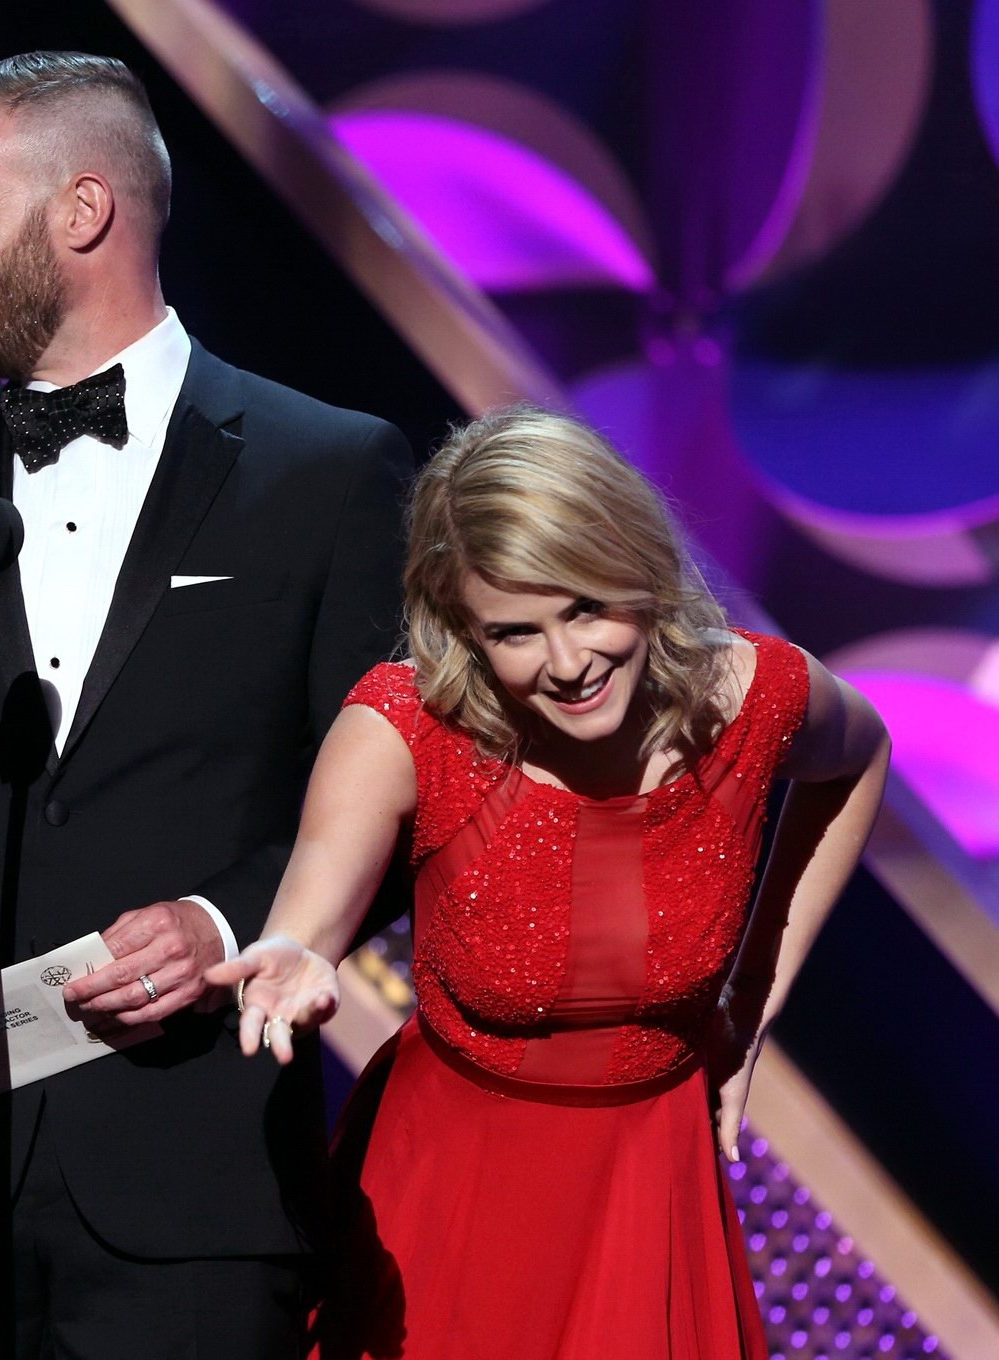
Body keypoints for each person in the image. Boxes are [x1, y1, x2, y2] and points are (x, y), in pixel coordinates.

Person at [0, 50, 411, 1359]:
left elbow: (397, 791)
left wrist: (230, 920)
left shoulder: (331, 470)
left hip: (193, 1181)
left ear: (82, 210)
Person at [209, 406, 891, 1359]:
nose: (568, 665)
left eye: (584, 608)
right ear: (462, 630)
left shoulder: (755, 697)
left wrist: (749, 1008)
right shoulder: (405, 726)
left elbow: (857, 759)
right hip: (454, 1189)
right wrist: (288, 951)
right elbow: (310, 906)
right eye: (515, 632)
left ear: (640, 571)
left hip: (650, 1182)